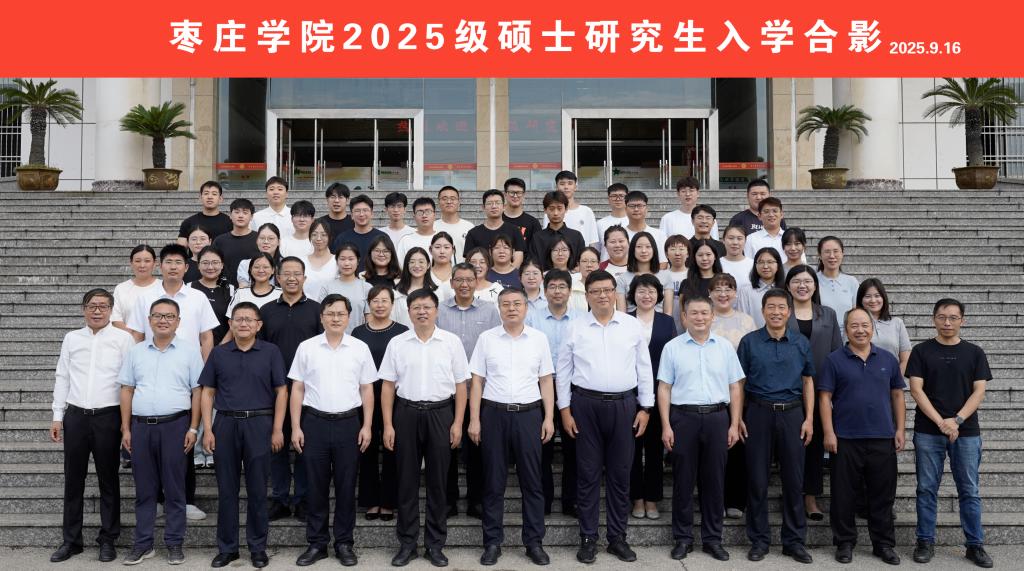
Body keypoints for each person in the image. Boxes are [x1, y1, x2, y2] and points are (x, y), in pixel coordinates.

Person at [556, 270, 655, 564]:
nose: (602, 295)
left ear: (615, 293)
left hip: (625, 406)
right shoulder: (575, 327)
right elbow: (563, 371)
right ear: (586, 295)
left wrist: (646, 408)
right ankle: (588, 538)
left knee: (620, 474)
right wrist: (564, 410)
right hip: (585, 406)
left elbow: (644, 368)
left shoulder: (631, 325)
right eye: (596, 291)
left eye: (607, 290)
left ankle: (617, 538)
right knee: (587, 475)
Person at [379, 289, 470, 568]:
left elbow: (461, 386)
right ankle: (407, 544)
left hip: (441, 414)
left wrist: (458, 422)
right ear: (408, 312)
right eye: (416, 307)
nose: (422, 312)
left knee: (438, 482)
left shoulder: (451, 342)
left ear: (436, 310)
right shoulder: (397, 343)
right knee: (406, 481)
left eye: (427, 307)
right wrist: (388, 424)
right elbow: (387, 386)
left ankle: (435, 545)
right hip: (405, 413)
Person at [468, 287, 555, 566]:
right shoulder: (487, 339)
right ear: (499, 308)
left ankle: (534, 542)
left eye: (517, 303)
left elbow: (546, 380)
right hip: (494, 414)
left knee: (532, 481)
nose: (512, 308)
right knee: (493, 483)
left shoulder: (539, 339)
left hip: (529, 415)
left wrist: (549, 417)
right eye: (506, 304)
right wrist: (474, 419)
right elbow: (477, 381)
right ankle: (492, 542)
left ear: (526, 308)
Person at [289, 293, 377, 567]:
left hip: (348, 424)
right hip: (313, 423)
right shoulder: (307, 347)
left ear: (349, 317)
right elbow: (297, 388)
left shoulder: (360, 348)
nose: (335, 318)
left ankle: (344, 543)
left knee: (346, 486)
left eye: (341, 313)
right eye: (330, 313)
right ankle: (317, 544)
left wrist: (367, 425)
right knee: (315, 487)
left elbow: (367, 389)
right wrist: (296, 426)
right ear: (322, 317)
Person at [199, 302, 288, 569]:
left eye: (249, 319)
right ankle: (227, 549)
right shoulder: (219, 353)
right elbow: (208, 392)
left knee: (258, 490)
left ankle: (257, 548)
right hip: (225, 424)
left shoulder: (271, 352)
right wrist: (208, 429)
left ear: (259, 325)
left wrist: (277, 429)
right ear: (231, 324)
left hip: (260, 423)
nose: (244, 324)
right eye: (238, 319)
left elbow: (282, 391)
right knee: (227, 490)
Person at [49, 289, 134, 564]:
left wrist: (126, 423)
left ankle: (108, 539)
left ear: (111, 310)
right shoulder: (72, 338)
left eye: (103, 306)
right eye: (92, 306)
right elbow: (62, 376)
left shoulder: (123, 339)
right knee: (73, 480)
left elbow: (129, 382)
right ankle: (71, 541)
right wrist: (57, 415)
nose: (97, 311)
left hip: (108, 416)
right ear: (83, 309)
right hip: (76, 416)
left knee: (108, 480)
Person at [908, 298, 993, 568]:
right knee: (926, 488)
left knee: (969, 490)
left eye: (953, 318)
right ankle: (925, 541)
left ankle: (974, 545)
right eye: (942, 317)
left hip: (966, 431)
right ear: (933, 319)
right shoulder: (921, 351)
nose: (947, 322)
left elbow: (979, 391)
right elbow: (916, 390)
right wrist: (941, 422)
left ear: (962, 321)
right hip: (928, 431)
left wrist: (956, 420)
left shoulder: (975, 352)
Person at [658, 295, 744, 562]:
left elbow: (735, 387)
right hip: (683, 418)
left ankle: (712, 539)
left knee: (715, 481)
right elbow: (664, 388)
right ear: (684, 317)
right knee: (683, 481)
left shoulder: (725, 347)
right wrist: (666, 425)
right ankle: (683, 538)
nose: (699, 318)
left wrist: (734, 423)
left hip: (717, 418)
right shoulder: (672, 347)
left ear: (712, 316)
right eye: (693, 313)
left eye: (704, 313)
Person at [118, 298, 203, 566]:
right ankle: (143, 544)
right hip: (141, 427)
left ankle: (174, 543)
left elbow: (198, 391)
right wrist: (126, 428)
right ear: (149, 320)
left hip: (176, 426)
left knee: (175, 489)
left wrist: (193, 427)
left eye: (169, 316)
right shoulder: (136, 352)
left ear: (178, 322)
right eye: (157, 315)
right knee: (144, 489)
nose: (163, 320)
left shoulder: (190, 352)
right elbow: (127, 389)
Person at [819, 308, 905, 566]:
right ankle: (844, 542)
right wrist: (828, 432)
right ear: (846, 330)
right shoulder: (834, 360)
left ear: (873, 328)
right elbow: (825, 398)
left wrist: (900, 429)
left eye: (865, 325)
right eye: (854, 325)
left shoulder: (887, 359)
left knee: (883, 495)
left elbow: (897, 395)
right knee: (843, 494)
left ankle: (883, 544)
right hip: (845, 438)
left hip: (882, 437)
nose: (860, 330)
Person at [737, 288, 815, 564]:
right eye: (771, 307)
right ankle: (759, 540)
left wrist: (809, 418)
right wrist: (738, 418)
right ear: (763, 311)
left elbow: (808, 381)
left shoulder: (801, 342)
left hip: (793, 414)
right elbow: (739, 383)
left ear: (789, 311)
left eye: (782, 307)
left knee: (794, 480)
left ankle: (794, 541)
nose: (776, 312)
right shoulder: (749, 342)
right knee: (757, 479)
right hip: (758, 412)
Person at [261, 258, 323, 522]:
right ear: (277, 278)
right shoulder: (266, 311)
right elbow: (260, 349)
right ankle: (280, 498)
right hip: (274, 390)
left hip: (308, 392)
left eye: (297, 274)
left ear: (304, 278)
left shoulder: (317, 310)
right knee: (276, 446)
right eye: (286, 274)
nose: (292, 278)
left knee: (304, 446)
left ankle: (303, 499)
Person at [438, 262, 501, 519]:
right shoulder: (439, 310)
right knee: (447, 447)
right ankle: (448, 500)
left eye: (469, 280)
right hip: (447, 391)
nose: (464, 284)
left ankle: (476, 500)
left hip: (479, 390)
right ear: (452, 283)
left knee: (477, 447)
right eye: (459, 280)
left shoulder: (490, 311)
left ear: (476, 282)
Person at [785, 265, 842, 522]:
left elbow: (837, 352)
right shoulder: (782, 311)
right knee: (790, 445)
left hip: (821, 388)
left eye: (807, 281)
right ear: (788, 286)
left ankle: (810, 496)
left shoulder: (827, 314)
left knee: (815, 444)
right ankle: (790, 493)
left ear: (815, 285)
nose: (802, 285)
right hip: (787, 388)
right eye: (796, 281)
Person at [526, 269, 581, 517]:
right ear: (544, 290)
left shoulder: (582, 319)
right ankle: (543, 501)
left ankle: (572, 501)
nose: (557, 291)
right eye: (552, 286)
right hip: (540, 389)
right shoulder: (532, 318)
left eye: (562, 286)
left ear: (570, 291)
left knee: (575, 447)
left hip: (574, 389)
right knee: (542, 447)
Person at [352, 286, 409, 523]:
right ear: (369, 304)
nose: (380, 305)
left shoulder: (402, 332)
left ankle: (388, 501)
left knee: (392, 448)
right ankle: (370, 499)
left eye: (385, 301)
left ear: (392, 304)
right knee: (366, 448)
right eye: (375, 301)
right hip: (364, 397)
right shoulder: (358, 332)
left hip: (394, 399)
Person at [627, 275, 675, 522]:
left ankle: (652, 499)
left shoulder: (667, 322)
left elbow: (673, 357)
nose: (646, 296)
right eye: (641, 291)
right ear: (633, 294)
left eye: (651, 291)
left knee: (655, 449)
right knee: (632, 450)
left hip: (660, 392)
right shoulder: (624, 320)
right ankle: (636, 498)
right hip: (629, 392)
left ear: (658, 295)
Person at [708, 273, 756, 521]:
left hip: (741, 391)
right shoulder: (705, 318)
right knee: (713, 451)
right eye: (717, 289)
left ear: (736, 293)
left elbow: (753, 359)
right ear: (710, 294)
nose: (723, 294)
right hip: (711, 393)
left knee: (737, 446)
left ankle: (735, 500)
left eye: (728, 289)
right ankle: (714, 500)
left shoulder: (747, 321)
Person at [127, 244, 220, 361]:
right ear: (160, 266)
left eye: (178, 262)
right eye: (168, 262)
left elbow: (206, 337)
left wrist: (207, 367)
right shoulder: (145, 298)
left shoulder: (199, 297)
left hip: (189, 364)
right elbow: (137, 335)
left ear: (186, 267)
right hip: (151, 363)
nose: (173, 267)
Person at [857, 278, 912, 374]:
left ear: (883, 298)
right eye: (868, 296)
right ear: (860, 300)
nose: (873, 300)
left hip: (892, 379)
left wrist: (895, 379)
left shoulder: (897, 323)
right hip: (862, 377)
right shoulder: (855, 324)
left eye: (877, 296)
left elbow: (905, 359)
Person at [614, 232, 674, 315]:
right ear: (632, 250)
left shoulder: (666, 276)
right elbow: (621, 314)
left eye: (648, 247)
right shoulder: (622, 279)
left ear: (654, 249)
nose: (644, 250)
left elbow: (668, 312)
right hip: (631, 322)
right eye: (639, 247)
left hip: (659, 321)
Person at [464, 189, 527, 266]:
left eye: (497, 203)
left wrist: (508, 272)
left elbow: (518, 258)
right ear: (483, 207)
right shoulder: (473, 233)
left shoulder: (515, 230)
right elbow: (469, 261)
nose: (494, 206)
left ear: (504, 206)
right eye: (489, 203)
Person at [317, 244, 371, 332]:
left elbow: (369, 318)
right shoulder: (327, 287)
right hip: (331, 336)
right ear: (337, 261)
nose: (346, 263)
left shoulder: (366, 288)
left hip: (357, 337)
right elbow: (321, 316)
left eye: (351, 259)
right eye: (342, 259)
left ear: (358, 261)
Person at [529, 190, 587, 271]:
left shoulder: (576, 236)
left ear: (566, 209)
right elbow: (533, 264)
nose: (556, 213)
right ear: (545, 210)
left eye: (559, 208)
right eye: (551, 209)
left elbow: (581, 261)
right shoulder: (537, 238)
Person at [112, 245, 161, 333]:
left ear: (155, 263)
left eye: (147, 261)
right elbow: (116, 320)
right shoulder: (121, 288)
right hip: (128, 338)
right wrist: (135, 336)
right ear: (131, 263)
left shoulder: (163, 286)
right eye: (137, 261)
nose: (142, 265)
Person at [189, 246, 233, 346]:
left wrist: (221, 347)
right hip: (194, 348)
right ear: (198, 265)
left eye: (215, 262)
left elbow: (234, 323)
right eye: (205, 263)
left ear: (222, 265)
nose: (210, 267)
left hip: (224, 348)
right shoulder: (188, 288)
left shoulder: (231, 290)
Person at [212, 198, 259, 288]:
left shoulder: (259, 239)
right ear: (230, 215)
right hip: (224, 289)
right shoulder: (220, 240)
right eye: (237, 212)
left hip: (253, 289)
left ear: (251, 217)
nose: (240, 216)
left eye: (245, 213)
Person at [543, 170, 599, 247]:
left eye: (570, 183)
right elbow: (546, 238)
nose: (566, 187)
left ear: (575, 187)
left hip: (582, 253)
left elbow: (593, 241)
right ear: (556, 187)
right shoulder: (551, 212)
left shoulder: (586, 211)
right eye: (562, 184)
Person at [332, 195, 385, 272]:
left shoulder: (382, 237)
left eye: (365, 210)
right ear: (352, 215)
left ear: (372, 214)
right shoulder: (342, 238)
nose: (361, 214)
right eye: (357, 211)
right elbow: (335, 264)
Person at [226, 253, 282, 325]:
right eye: (256, 267)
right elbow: (232, 323)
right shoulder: (240, 293)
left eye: (265, 267)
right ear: (250, 270)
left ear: (273, 270)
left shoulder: (281, 294)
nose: (261, 270)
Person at [817, 236, 859, 329]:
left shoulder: (851, 281)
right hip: (822, 333)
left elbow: (857, 312)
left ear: (842, 254)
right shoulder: (812, 280)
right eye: (827, 252)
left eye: (836, 251)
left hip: (847, 334)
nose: (832, 256)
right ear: (820, 255)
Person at [736, 247, 785, 328]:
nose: (765, 266)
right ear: (755, 265)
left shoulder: (786, 289)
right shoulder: (746, 291)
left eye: (770, 262)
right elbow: (742, 321)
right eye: (761, 262)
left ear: (778, 265)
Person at [176, 180, 232, 246]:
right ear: (200, 197)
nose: (210, 197)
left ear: (220, 198)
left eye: (214, 194)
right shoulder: (188, 222)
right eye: (206, 193)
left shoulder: (230, 222)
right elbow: (180, 249)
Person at [434, 186, 475, 260]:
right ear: (438, 202)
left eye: (453, 198)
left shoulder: (469, 227)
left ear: (459, 202)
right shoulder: (432, 226)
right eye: (444, 199)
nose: (449, 202)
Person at [678, 238, 724, 305]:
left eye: (708, 254)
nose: (704, 258)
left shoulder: (723, 281)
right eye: (700, 255)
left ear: (715, 257)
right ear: (694, 257)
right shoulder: (686, 284)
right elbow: (682, 309)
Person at [623, 190, 668, 258]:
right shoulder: (620, 236)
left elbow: (663, 261)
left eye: (640, 206)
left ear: (647, 209)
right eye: (632, 206)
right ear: (625, 209)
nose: (636, 209)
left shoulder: (659, 235)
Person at [501, 177, 542, 249]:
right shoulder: (497, 220)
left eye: (519, 193)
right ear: (505, 194)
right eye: (512, 192)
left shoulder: (533, 223)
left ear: (523, 195)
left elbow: (537, 250)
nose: (515, 196)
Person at [236, 223, 281, 289]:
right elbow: (243, 291)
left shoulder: (285, 264)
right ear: (257, 241)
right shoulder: (245, 264)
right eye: (262, 238)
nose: (266, 242)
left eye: (271, 238)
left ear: (279, 242)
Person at [303, 220, 339, 299]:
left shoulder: (337, 261)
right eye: (314, 234)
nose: (318, 238)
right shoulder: (302, 262)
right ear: (310, 236)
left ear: (330, 237)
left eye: (323, 235)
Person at [397, 197, 439, 263]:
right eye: (420, 212)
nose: (424, 215)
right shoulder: (405, 241)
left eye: (428, 212)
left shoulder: (442, 239)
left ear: (434, 215)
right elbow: (400, 266)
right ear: (414, 217)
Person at [597, 183, 629, 260]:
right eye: (614, 196)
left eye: (621, 196)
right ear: (608, 199)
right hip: (605, 266)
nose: (618, 199)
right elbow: (596, 250)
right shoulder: (600, 224)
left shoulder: (634, 221)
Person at [720, 224, 753, 291]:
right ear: (723, 240)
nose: (735, 242)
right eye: (731, 238)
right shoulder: (717, 263)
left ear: (745, 241)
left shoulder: (753, 264)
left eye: (739, 238)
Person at [569, 246, 600, 312]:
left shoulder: (606, 286)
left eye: (593, 261)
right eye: (584, 261)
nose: (589, 265)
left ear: (599, 264)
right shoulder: (571, 287)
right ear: (578, 264)